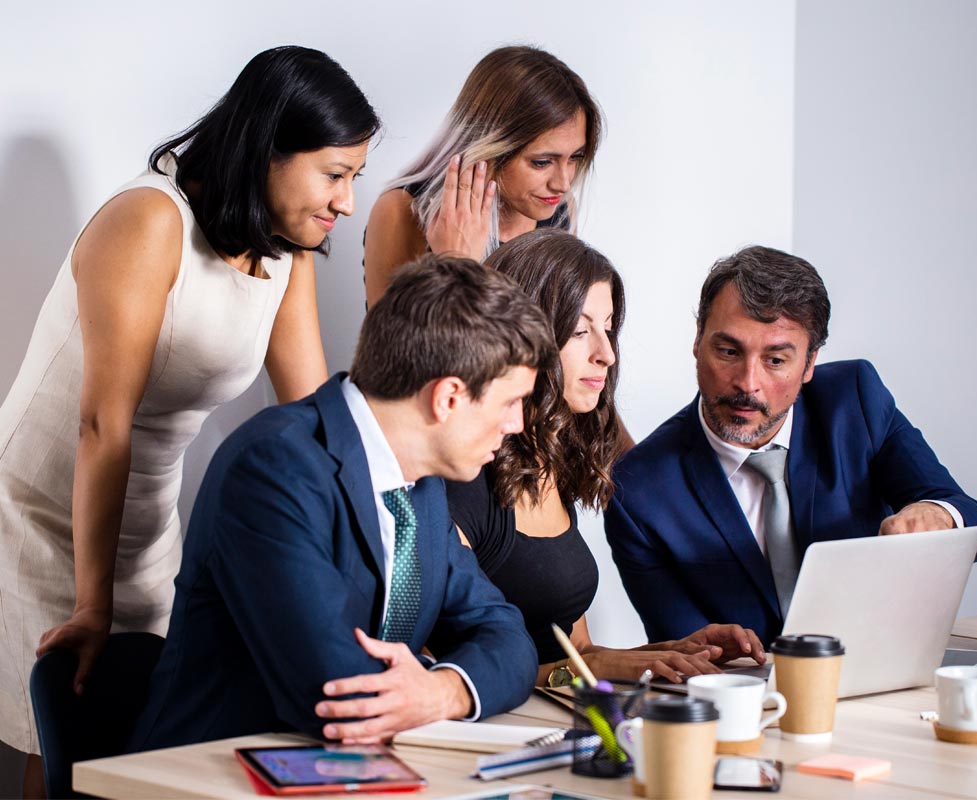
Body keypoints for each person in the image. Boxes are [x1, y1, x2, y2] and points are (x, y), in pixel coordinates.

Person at [0, 46, 378, 786]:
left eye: (355, 178)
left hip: (146, 527)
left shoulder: (285, 248)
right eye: (335, 174)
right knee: (60, 750)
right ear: (268, 150)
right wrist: (92, 604)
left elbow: (313, 423)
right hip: (43, 514)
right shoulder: (149, 220)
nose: (347, 202)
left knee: (146, 753)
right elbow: (103, 425)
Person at [127, 256, 551, 751]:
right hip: (206, 768)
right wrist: (431, 686)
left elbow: (510, 639)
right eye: (511, 402)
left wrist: (444, 690)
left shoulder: (422, 488)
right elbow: (332, 691)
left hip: (348, 765)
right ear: (448, 398)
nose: (517, 424)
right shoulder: (274, 467)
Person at [605, 246, 977, 648]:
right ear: (697, 340)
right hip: (749, 684)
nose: (748, 383)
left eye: (775, 360)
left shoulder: (855, 401)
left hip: (881, 664)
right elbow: (685, 654)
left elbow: (970, 516)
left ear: (809, 364)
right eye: (729, 352)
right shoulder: (639, 492)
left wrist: (937, 514)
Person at [446, 230, 765, 688]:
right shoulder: (461, 481)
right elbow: (439, 672)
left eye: (608, 329)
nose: (607, 354)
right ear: (519, 337)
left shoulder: (550, 464)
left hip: (554, 712)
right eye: (581, 331)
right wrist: (590, 669)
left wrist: (676, 652)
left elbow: (576, 654)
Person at [363, 45, 602, 306]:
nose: (563, 183)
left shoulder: (560, 210)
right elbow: (391, 334)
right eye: (541, 162)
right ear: (489, 148)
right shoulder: (402, 211)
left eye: (575, 158)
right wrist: (457, 263)